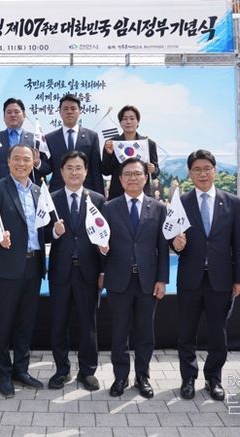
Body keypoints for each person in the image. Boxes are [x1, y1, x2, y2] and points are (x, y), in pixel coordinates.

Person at [170, 149, 240, 402]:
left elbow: (238, 243)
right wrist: (175, 245)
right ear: (189, 173)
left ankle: (214, 378)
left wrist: (239, 279)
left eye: (207, 169)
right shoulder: (181, 202)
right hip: (190, 278)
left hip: (220, 279)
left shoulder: (232, 202)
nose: (202, 174)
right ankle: (188, 378)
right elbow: (171, 235)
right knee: (186, 333)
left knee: (218, 333)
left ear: (215, 170)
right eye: (196, 170)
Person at [100, 157, 169, 398]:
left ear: (145, 177)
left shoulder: (158, 208)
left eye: (137, 173)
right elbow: (101, 242)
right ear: (120, 179)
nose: (133, 178)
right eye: (127, 174)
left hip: (148, 281)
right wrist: (102, 255)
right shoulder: (109, 207)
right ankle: (120, 377)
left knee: (145, 332)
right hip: (118, 280)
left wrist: (162, 280)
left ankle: (143, 376)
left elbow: (162, 247)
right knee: (119, 332)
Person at [0, 144, 46, 398]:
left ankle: (21, 370)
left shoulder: (39, 191)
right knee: (4, 323)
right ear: (8, 161)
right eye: (17, 159)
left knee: (25, 322)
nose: (22, 163)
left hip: (34, 264)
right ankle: (4, 374)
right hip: (8, 265)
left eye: (27, 159)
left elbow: (44, 225)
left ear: (34, 162)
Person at [46, 151, 105, 391]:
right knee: (58, 323)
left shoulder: (98, 200)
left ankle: (87, 371)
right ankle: (62, 370)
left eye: (78, 167)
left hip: (88, 272)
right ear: (61, 172)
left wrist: (103, 271)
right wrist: (54, 232)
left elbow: (104, 237)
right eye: (69, 168)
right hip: (60, 271)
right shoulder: (51, 199)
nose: (74, 172)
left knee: (88, 324)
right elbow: (41, 233)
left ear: (86, 171)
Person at [39, 94, 104, 195]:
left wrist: (100, 196)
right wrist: (37, 162)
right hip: (58, 192)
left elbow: (96, 170)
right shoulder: (49, 138)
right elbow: (48, 168)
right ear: (60, 112)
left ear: (80, 111)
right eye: (65, 109)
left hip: (86, 192)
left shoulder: (92, 136)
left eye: (73, 108)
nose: (69, 112)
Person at [0, 98, 42, 192]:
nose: (13, 115)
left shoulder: (35, 139)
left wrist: (37, 163)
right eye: (9, 112)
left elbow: (46, 168)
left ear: (24, 115)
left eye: (16, 112)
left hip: (27, 189)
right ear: (4, 116)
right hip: (1, 189)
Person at [101, 105, 160, 200]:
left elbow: (155, 172)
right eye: (125, 119)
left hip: (143, 195)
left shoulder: (148, 143)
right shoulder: (111, 143)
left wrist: (152, 170)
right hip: (118, 195)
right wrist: (109, 154)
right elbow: (106, 171)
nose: (128, 122)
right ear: (120, 123)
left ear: (138, 121)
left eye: (132, 118)